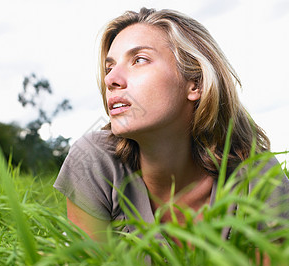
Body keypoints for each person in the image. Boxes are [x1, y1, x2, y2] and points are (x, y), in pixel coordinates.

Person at [54, 8, 289, 242]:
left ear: (195, 83)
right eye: (109, 68)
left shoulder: (255, 175)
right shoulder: (94, 162)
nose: (111, 79)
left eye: (139, 60)